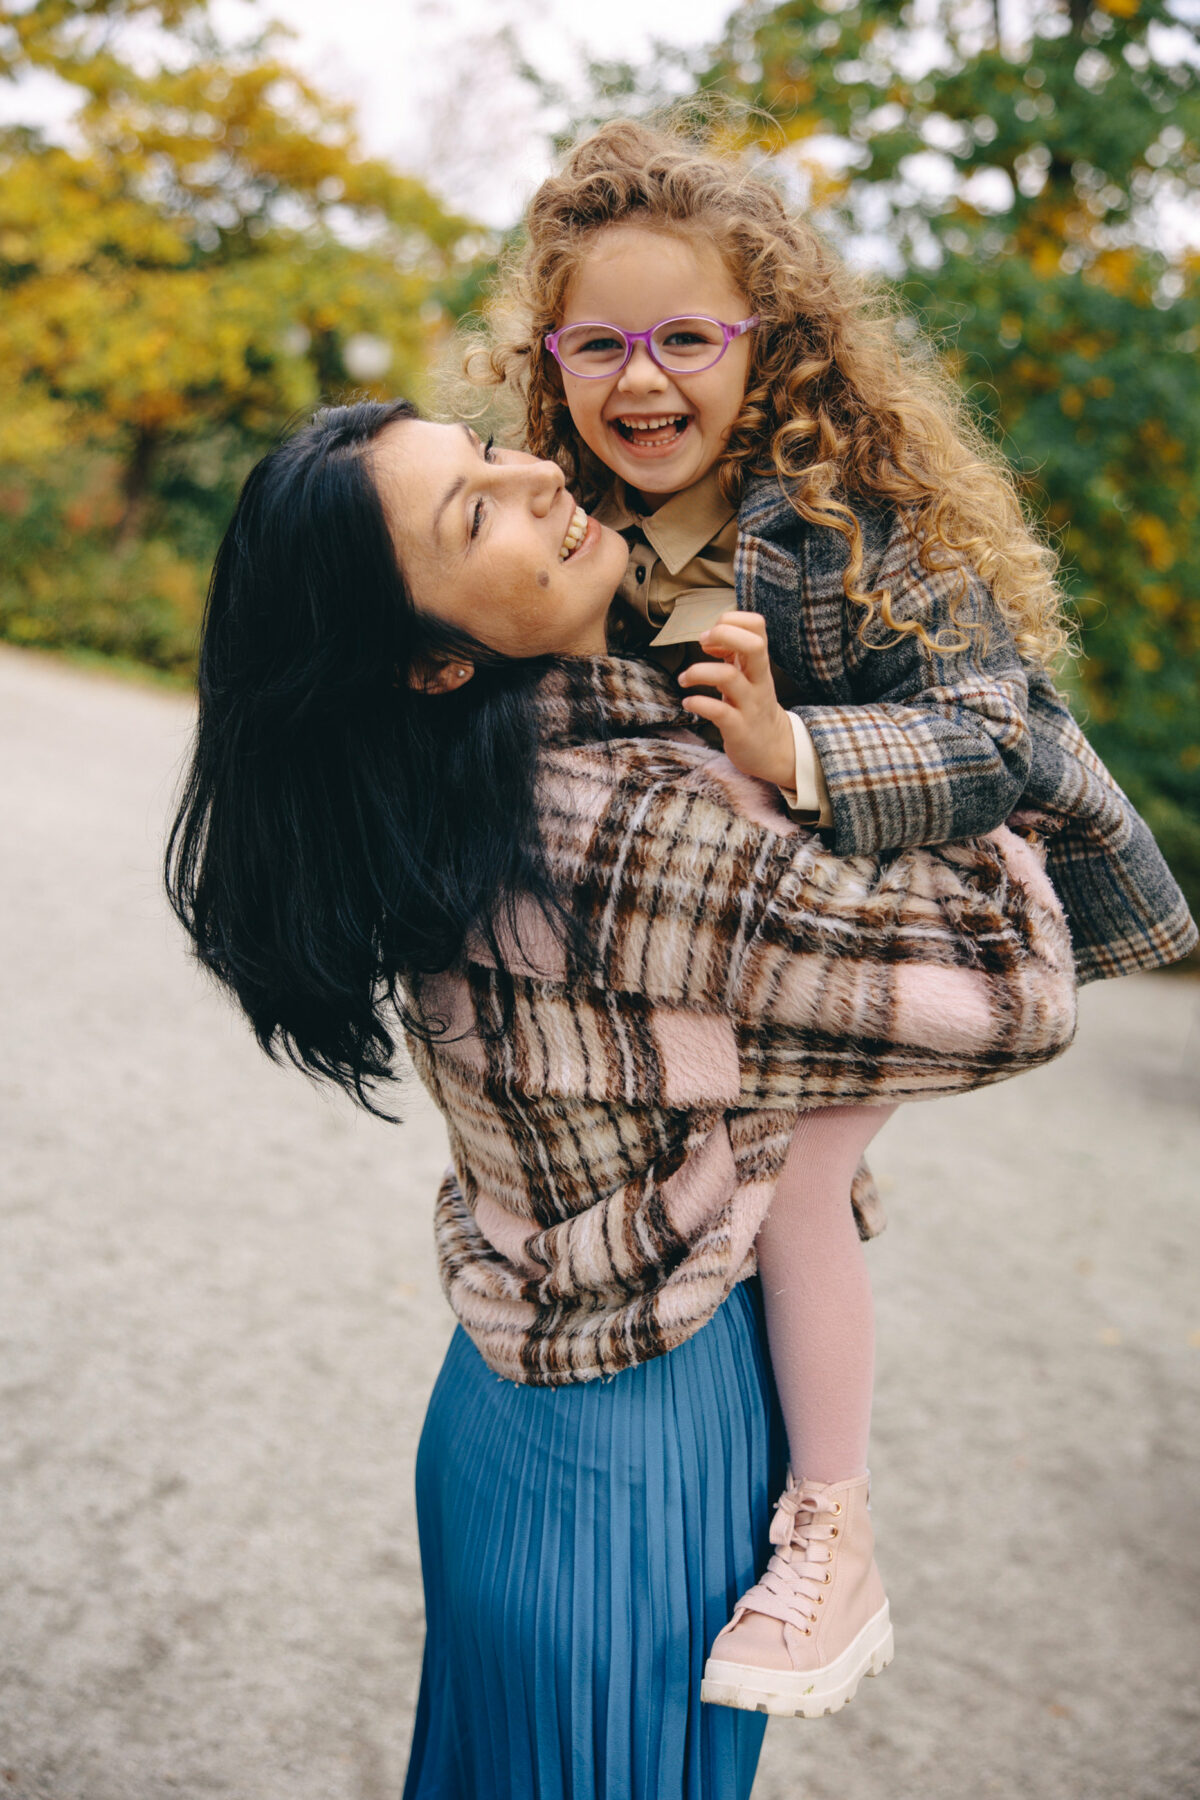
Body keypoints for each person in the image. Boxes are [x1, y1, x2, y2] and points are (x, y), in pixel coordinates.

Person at [166, 399, 1078, 1798]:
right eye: (476, 512)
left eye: (489, 451)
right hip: (646, 1446)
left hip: (514, 1417)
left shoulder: (465, 803)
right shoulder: (622, 819)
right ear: (426, 661)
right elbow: (1015, 996)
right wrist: (983, 767)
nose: (538, 474)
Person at [467, 117, 1198, 1717]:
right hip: (709, 936)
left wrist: (802, 746)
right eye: (599, 341)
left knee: (798, 1191)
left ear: (768, 344)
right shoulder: (562, 517)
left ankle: (836, 1527)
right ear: (551, 356)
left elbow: (1009, 727)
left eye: (685, 340)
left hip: (887, 894)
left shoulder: (847, 521)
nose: (639, 379)